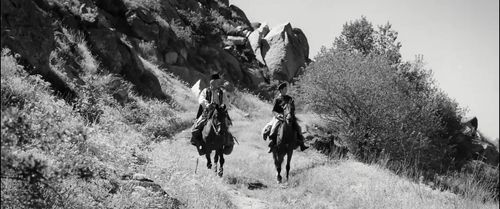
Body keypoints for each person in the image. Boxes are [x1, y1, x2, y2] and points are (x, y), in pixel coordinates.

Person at [262, 82, 308, 153]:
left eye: (286, 88)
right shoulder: (277, 99)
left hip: (289, 116)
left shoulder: (289, 98)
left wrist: (291, 114)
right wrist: (278, 115)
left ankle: (301, 144)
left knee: (298, 127)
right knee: (274, 128)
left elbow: (293, 108)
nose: (286, 90)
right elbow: (274, 111)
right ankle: (272, 144)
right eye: (285, 89)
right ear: (281, 90)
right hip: (279, 117)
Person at [190, 73, 229, 155]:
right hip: (208, 112)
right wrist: (207, 105)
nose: (217, 83)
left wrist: (223, 106)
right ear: (211, 82)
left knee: (226, 125)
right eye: (215, 81)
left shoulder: (222, 92)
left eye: (218, 81)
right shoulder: (205, 90)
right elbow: (201, 99)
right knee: (196, 127)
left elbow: (226, 102)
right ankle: (199, 143)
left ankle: (228, 143)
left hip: (219, 112)